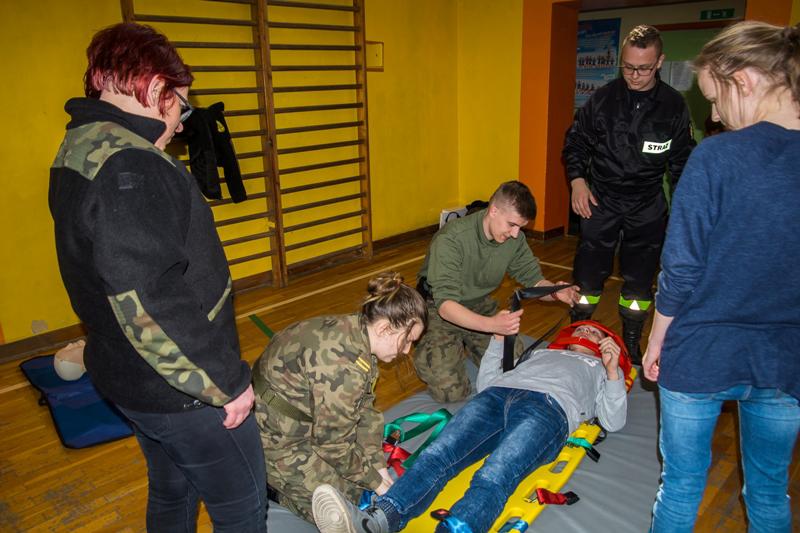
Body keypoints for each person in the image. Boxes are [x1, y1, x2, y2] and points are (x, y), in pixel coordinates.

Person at [48, 23, 267, 532]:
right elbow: (148, 300)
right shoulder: (132, 167)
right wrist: (227, 384)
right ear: (154, 89)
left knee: (172, 490)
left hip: (127, 377)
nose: (182, 125)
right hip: (183, 391)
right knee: (242, 509)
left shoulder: (79, 146)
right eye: (181, 108)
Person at [643, 21, 800, 533]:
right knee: (771, 490)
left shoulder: (717, 155)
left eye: (713, 99)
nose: (713, 116)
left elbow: (681, 268)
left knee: (682, 485)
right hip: (785, 363)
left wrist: (656, 339)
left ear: (744, 81)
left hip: (701, 352)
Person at [311, 320, 630, 533]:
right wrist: (497, 342)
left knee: (496, 473)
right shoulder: (543, 353)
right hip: (497, 395)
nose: (586, 329)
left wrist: (613, 371)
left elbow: (612, 421)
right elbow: (488, 382)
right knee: (437, 455)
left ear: (606, 344)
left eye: (595, 331)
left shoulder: (600, 370)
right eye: (583, 326)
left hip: (549, 408)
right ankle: (378, 520)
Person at [562, 24, 693, 363]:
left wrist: (683, 212)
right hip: (601, 200)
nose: (634, 76)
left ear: (659, 62)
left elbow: (682, 163)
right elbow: (576, 142)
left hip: (647, 204)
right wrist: (577, 180)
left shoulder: (673, 106)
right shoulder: (603, 99)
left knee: (639, 281)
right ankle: (577, 331)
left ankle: (632, 340)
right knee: (588, 277)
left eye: (643, 68)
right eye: (628, 66)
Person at [253, 273, 427, 522]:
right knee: (342, 504)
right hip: (275, 436)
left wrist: (377, 464)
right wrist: (376, 482)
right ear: (384, 328)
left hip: (296, 414)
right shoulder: (344, 368)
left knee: (359, 480)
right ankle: (274, 488)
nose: (407, 350)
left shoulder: (357, 332)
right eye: (407, 340)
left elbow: (365, 409)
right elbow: (332, 446)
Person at [414, 180, 578, 402]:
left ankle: (465, 341)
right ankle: (431, 345)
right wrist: (492, 325)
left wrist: (555, 292)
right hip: (438, 308)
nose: (515, 234)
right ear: (493, 211)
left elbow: (534, 280)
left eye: (520, 227)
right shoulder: (451, 238)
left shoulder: (514, 239)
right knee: (450, 392)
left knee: (515, 365)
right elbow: (445, 306)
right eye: (511, 225)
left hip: (478, 303)